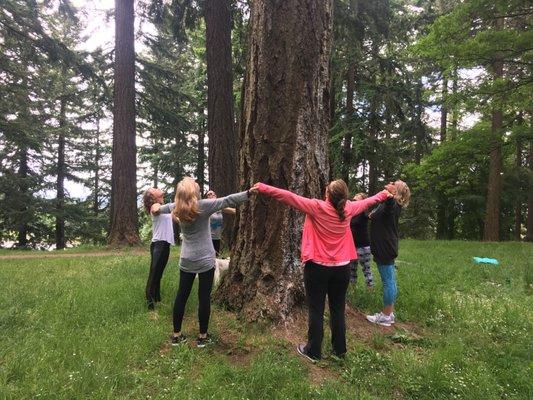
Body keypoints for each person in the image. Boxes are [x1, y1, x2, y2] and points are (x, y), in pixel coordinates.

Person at [254, 180, 391, 361]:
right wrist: (384, 194)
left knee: (316, 309)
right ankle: (339, 351)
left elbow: (288, 197)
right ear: (345, 196)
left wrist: (263, 187)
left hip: (317, 268)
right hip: (342, 268)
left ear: (327, 194)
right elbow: (369, 201)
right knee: (337, 309)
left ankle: (313, 351)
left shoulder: (316, 207)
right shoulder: (349, 208)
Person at [156, 177, 256, 348]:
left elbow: (158, 210)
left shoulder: (176, 207)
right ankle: (202, 337)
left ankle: (176, 335)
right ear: (194, 193)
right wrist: (248, 193)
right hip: (205, 260)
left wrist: (155, 207)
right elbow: (228, 200)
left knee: (182, 296)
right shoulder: (203, 206)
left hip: (186, 259)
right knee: (204, 298)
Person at [366, 180, 411, 327]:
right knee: (390, 279)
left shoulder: (393, 204)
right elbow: (373, 215)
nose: (390, 182)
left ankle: (386, 315)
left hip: (385, 247)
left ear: (396, 191)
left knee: (388, 281)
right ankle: (389, 313)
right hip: (385, 246)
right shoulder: (388, 204)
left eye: (394, 183)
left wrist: (390, 196)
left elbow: (387, 208)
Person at [143, 187, 174, 310]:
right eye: (154, 188)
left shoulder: (164, 206)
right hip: (158, 245)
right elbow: (155, 210)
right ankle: (150, 308)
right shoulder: (155, 205)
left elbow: (174, 217)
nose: (158, 188)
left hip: (165, 244)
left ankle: (157, 300)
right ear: (152, 196)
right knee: (154, 275)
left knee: (159, 274)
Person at [350, 193, 374, 289]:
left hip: (363, 246)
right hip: (352, 246)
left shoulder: (364, 211)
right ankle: (353, 290)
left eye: (358, 196)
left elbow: (369, 216)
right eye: (354, 196)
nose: (355, 197)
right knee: (352, 271)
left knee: (366, 270)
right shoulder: (351, 212)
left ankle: (370, 289)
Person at [205, 190, 236, 257]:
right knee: (209, 257)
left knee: (216, 256)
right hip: (208, 238)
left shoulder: (219, 207)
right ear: (207, 198)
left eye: (213, 194)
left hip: (217, 237)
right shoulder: (206, 208)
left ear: (216, 196)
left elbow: (233, 211)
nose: (211, 195)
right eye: (208, 195)